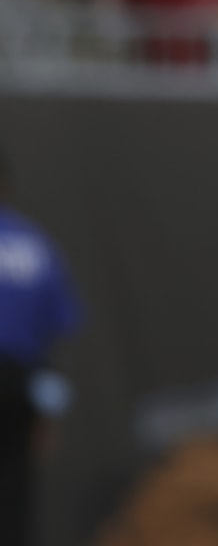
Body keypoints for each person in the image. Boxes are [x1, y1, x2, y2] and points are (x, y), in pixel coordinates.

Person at [0, 150, 82, 546]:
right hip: (20, 388)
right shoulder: (37, 247)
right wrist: (48, 409)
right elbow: (55, 344)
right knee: (15, 495)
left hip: (19, 381)